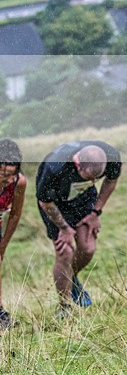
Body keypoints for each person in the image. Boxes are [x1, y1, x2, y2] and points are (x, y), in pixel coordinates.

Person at [36, 140, 121, 317]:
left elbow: (111, 181)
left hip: (82, 200)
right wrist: (65, 229)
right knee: (65, 252)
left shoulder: (111, 157)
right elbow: (45, 202)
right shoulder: (55, 167)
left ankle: (69, 279)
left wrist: (96, 212)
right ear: (77, 164)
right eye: (88, 177)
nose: (93, 181)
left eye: (95, 179)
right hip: (54, 204)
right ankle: (65, 306)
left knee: (88, 248)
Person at [0, 139, 26, 329]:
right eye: (4, 175)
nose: (8, 179)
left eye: (12, 174)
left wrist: (3, 245)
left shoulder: (18, 182)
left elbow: (15, 213)